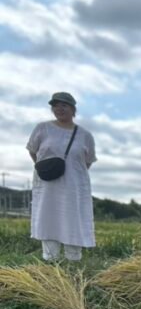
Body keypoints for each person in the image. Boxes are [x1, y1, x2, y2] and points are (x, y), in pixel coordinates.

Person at [25, 92, 97, 263]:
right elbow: (32, 150)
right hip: (48, 183)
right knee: (48, 216)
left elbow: (88, 161)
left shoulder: (85, 135)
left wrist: (70, 172)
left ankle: (73, 260)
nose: (59, 108)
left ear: (73, 109)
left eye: (64, 105)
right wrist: (48, 168)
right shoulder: (42, 128)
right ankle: (50, 259)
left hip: (74, 186)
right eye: (55, 105)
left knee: (74, 219)